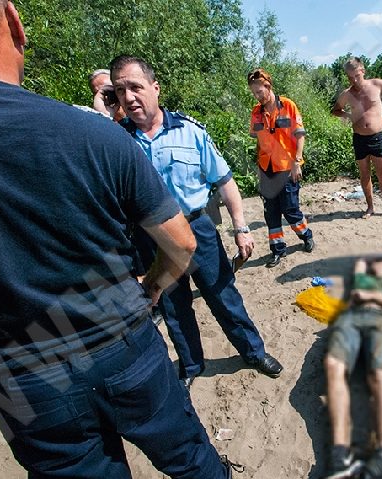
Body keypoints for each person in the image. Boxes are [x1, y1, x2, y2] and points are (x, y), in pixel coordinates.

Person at [0, 1, 234, 477]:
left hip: (19, 379)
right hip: (122, 341)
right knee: (190, 460)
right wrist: (151, 288)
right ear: (14, 21)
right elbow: (181, 245)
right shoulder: (93, 134)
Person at [110, 55, 283, 385]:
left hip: (197, 228)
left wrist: (241, 227)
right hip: (150, 238)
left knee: (223, 295)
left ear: (155, 88)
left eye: (135, 87)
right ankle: (192, 366)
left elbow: (224, 180)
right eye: (120, 91)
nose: (128, 97)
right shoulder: (116, 141)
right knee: (174, 307)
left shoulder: (190, 132)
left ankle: (253, 351)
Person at [324, 255, 382, 479]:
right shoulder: (362, 278)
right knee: (333, 365)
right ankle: (340, 454)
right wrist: (362, 266)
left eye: (380, 262)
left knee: (379, 375)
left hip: (379, 319)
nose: (375, 264)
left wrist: (373, 296)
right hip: (351, 318)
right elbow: (359, 266)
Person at [247, 68, 315, 268]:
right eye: (254, 93)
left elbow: (300, 135)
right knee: (271, 211)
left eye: (259, 92)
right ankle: (278, 249)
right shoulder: (256, 113)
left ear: (268, 86)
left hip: (287, 167)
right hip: (266, 168)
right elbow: (258, 141)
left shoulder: (288, 106)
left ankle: (306, 235)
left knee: (290, 208)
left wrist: (297, 162)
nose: (257, 97)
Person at [332, 57, 382, 219]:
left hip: (377, 137)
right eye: (350, 77)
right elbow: (335, 110)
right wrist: (348, 115)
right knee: (365, 175)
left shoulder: (376, 84)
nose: (354, 80)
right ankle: (370, 207)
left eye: (356, 75)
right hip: (359, 138)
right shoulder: (347, 94)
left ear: (363, 71)